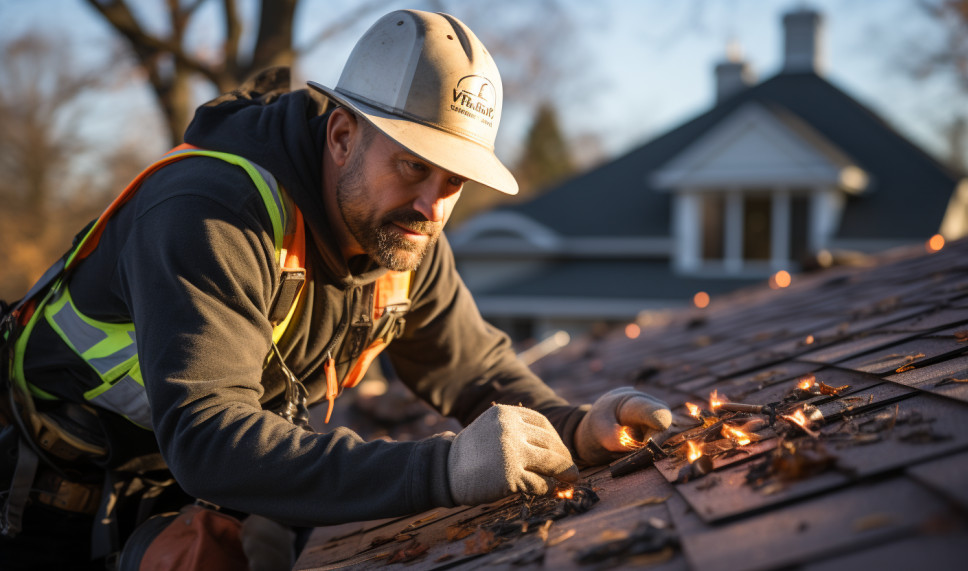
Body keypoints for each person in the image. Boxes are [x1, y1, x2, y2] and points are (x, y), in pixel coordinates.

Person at [0, 9, 672, 569]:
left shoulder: (404, 239)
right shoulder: (211, 211)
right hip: (44, 488)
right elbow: (210, 438)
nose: (432, 207)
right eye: (414, 166)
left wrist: (579, 426)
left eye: (453, 183)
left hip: (185, 485)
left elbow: (477, 370)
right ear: (343, 136)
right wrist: (440, 469)